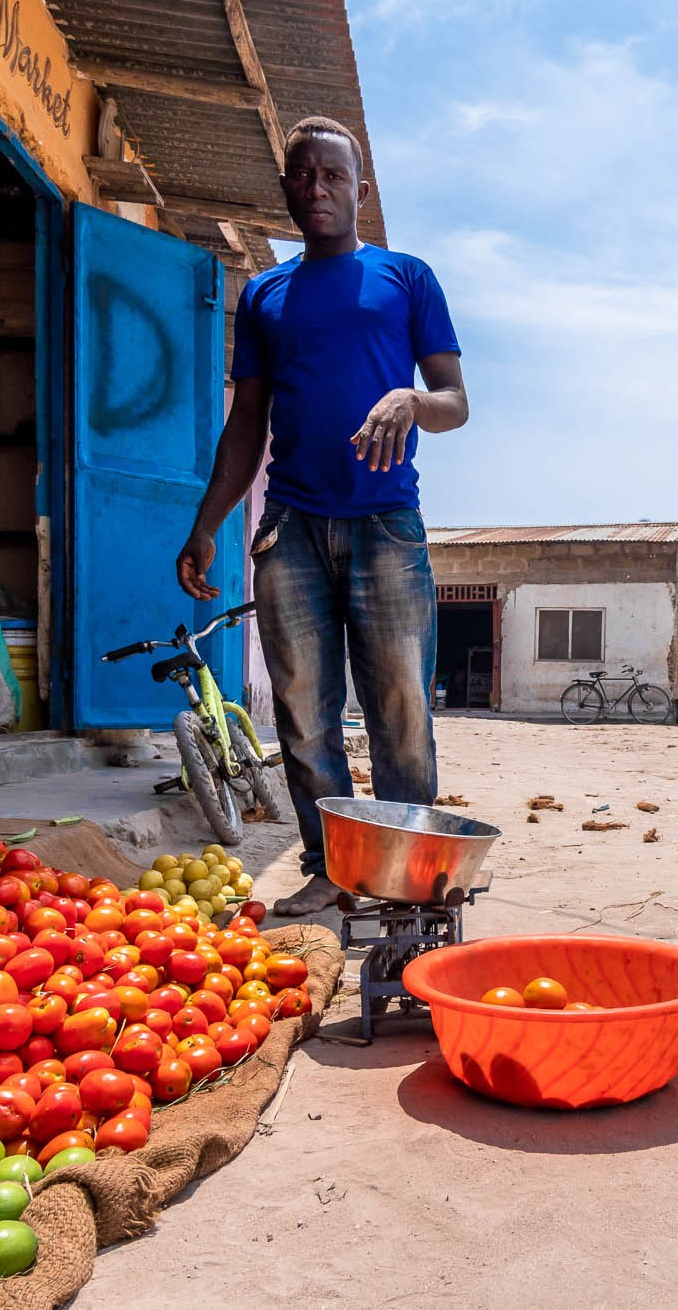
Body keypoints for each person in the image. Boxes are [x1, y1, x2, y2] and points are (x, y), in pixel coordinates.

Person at [177, 116, 469, 916]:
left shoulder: (406, 278)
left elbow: (454, 400)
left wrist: (412, 399)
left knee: (401, 709)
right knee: (305, 715)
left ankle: (407, 874)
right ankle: (333, 867)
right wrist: (209, 522)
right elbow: (247, 422)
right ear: (286, 189)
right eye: (303, 175)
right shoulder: (265, 295)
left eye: (333, 175)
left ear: (361, 190)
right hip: (292, 529)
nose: (317, 188)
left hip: (387, 526)